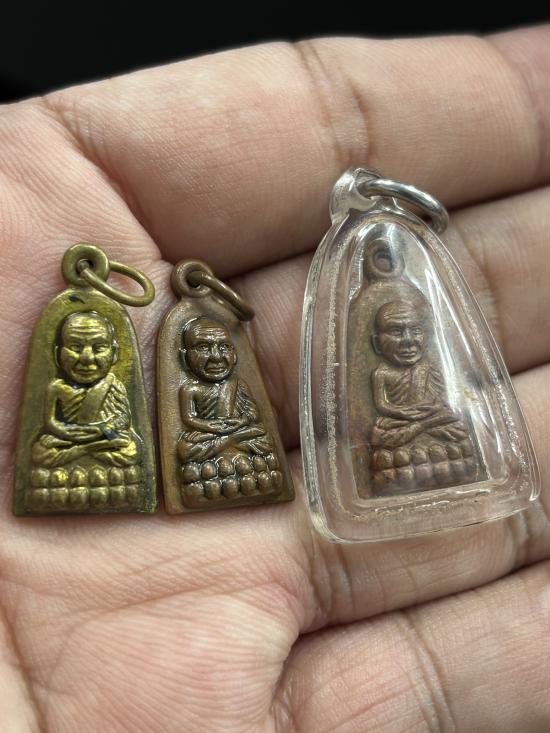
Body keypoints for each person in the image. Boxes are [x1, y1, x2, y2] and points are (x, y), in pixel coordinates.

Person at [2, 24, 550, 731]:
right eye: (395, 335)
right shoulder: (106, 387)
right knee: (131, 449)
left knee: (438, 426)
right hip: (165, 456)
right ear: (374, 337)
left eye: (414, 334)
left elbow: (417, 413)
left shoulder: (372, 346)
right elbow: (148, 430)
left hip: (388, 444)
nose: (409, 343)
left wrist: (426, 419)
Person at [31, 311, 139, 468]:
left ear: (114, 353)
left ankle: (84, 451)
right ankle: (87, 450)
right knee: (41, 451)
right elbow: (50, 422)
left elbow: (124, 418)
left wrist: (102, 430)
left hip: (104, 436)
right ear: (57, 354)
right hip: (69, 438)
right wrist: (65, 431)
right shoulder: (56, 387)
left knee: (129, 449)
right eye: (75, 347)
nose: (87, 358)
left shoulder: (113, 384)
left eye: (99, 348)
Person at [177, 317, 272, 463]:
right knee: (185, 449)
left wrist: (241, 421)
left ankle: (229, 440)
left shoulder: (238, 383)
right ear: (185, 357)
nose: (216, 357)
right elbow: (188, 418)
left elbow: (252, 411)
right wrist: (209, 426)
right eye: (203, 347)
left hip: (236, 427)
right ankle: (232, 440)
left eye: (224, 346)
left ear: (234, 354)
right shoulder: (191, 389)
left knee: (262, 434)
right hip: (208, 433)